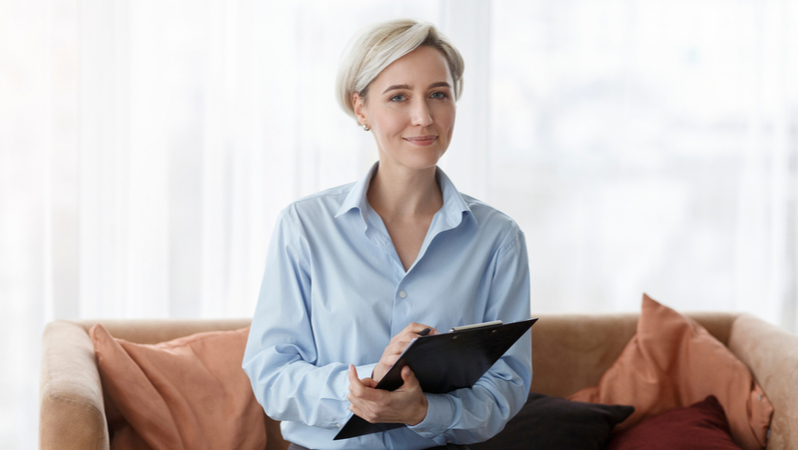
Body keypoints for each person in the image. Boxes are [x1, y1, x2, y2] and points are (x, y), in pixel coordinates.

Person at [243, 18, 532, 450]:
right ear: (360, 108)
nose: (423, 117)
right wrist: (365, 384)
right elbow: (272, 375)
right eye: (399, 97)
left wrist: (424, 412)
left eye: (439, 94)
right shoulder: (304, 226)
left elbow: (505, 386)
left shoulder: (498, 238)